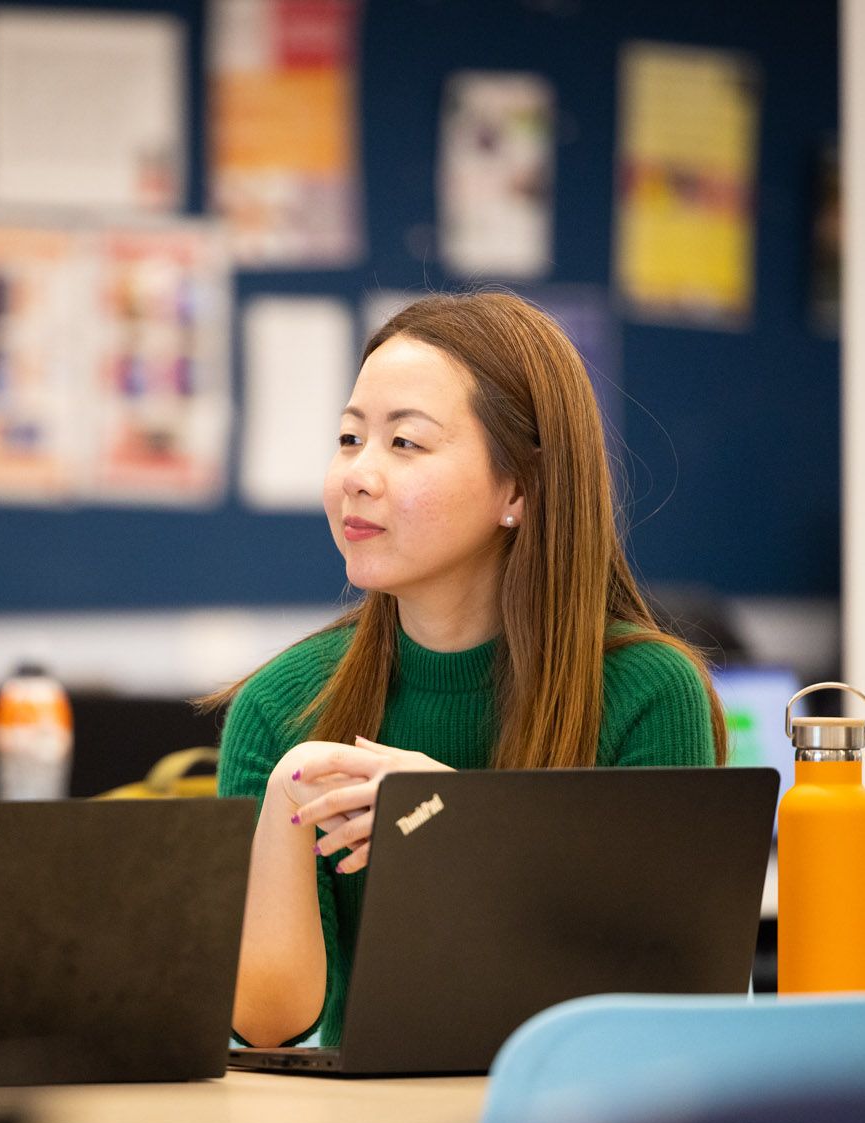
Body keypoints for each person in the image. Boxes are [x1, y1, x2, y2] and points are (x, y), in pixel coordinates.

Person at [212, 292, 725, 1049]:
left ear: (518, 488)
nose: (358, 474)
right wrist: (290, 800)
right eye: (349, 438)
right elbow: (266, 1027)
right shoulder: (282, 707)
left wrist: (462, 837)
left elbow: (666, 1003)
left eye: (405, 444)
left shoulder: (649, 692)